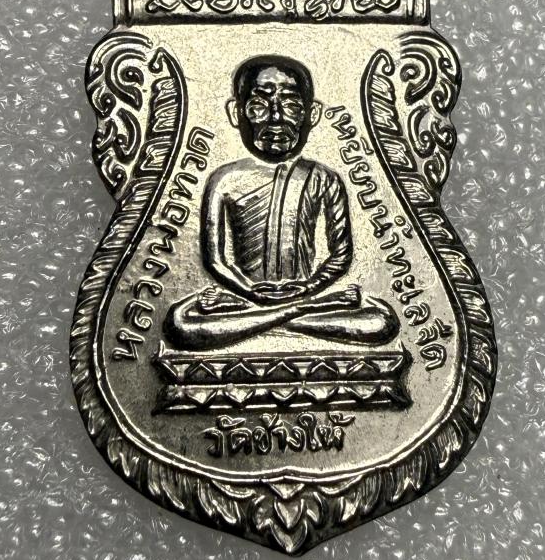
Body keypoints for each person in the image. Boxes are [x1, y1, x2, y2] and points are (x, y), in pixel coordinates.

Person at [164, 55, 398, 350]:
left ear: (312, 114)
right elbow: (216, 261)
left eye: (291, 106)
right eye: (258, 106)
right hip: (246, 299)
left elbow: (340, 255)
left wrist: (308, 288)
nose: (276, 118)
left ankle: (277, 317)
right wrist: (250, 292)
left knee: (380, 321)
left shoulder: (324, 177)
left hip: (280, 302)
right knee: (180, 326)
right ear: (236, 113)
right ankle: (293, 315)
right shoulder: (224, 180)